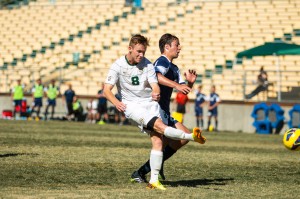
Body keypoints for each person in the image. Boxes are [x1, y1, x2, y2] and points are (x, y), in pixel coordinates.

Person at [103, 34, 205, 190]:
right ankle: (150, 171)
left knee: (161, 143)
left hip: (155, 107)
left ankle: (145, 172)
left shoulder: (174, 68)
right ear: (167, 47)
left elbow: (181, 90)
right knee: (166, 138)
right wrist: (175, 86)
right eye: (176, 44)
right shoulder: (161, 62)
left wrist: (189, 83)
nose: (179, 48)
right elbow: (158, 77)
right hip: (149, 107)